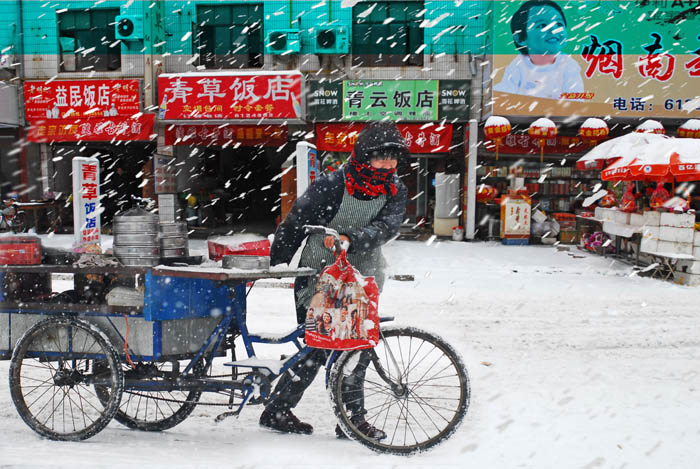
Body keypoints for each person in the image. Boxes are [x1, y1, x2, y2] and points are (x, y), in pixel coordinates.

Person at [259, 121, 408, 439]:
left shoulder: (395, 189)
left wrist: (353, 239)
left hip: (362, 281)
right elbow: (295, 221)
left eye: (393, 158)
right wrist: (278, 263)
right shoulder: (332, 185)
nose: (388, 165)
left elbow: (387, 226)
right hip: (319, 277)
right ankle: (299, 412)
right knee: (319, 347)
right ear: (365, 156)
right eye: (381, 157)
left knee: (356, 349)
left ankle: (344, 419)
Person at [493, 0, 584, 100]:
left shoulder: (568, 66)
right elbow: (504, 94)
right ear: (520, 38)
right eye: (542, 25)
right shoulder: (518, 66)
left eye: (559, 24)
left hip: (560, 114)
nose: (554, 30)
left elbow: (576, 100)